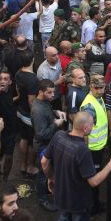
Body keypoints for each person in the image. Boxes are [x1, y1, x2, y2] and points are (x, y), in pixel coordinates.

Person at [42, 111, 111, 221]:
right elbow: (94, 181)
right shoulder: (82, 150)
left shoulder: (58, 136)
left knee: (63, 219)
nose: (93, 127)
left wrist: (50, 177)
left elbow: (44, 162)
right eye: (93, 124)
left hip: (61, 194)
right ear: (85, 128)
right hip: (78, 202)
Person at [31, 79, 66, 211]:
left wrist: (56, 112)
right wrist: (55, 124)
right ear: (41, 92)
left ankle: (49, 189)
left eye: (53, 92)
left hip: (49, 144)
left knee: (48, 171)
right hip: (43, 146)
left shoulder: (44, 102)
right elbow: (41, 134)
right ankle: (43, 199)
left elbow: (48, 112)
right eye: (49, 92)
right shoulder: (38, 110)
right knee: (42, 174)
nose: (53, 95)